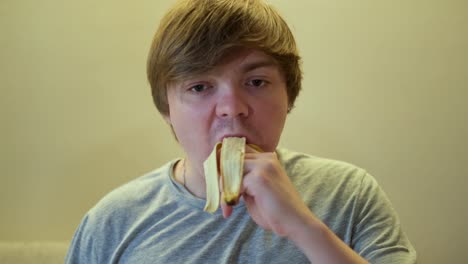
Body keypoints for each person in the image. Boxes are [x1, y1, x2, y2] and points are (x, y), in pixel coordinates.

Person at [65, 0, 417, 263]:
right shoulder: (111, 222)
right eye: (200, 87)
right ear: (166, 109)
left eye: (256, 81)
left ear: (289, 95)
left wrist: (304, 228)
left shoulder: (349, 195)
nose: (232, 106)